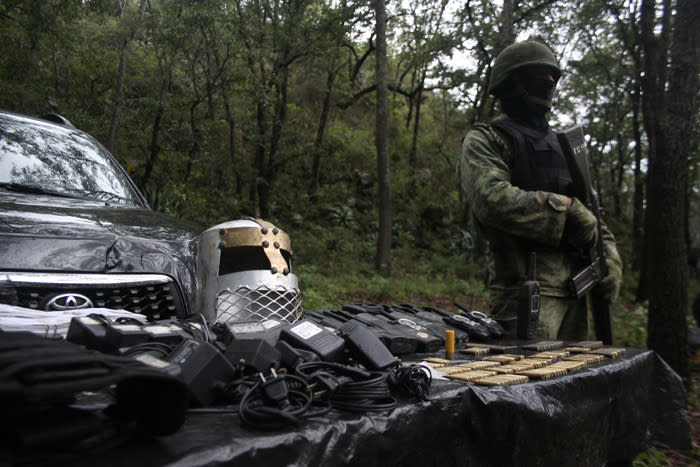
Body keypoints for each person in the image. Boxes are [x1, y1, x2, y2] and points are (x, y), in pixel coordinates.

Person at [457, 40, 623, 340]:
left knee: (575, 380)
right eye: (539, 74)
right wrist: (566, 211)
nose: (549, 82)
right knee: (523, 380)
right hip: (525, 292)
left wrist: (609, 257)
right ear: (512, 81)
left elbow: (593, 211)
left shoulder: (567, 147)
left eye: (553, 76)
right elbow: (490, 199)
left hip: (577, 289)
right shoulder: (488, 139)